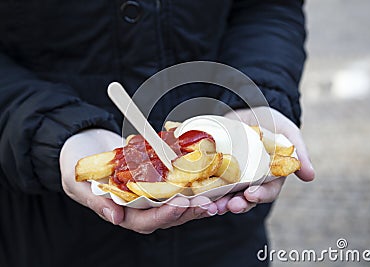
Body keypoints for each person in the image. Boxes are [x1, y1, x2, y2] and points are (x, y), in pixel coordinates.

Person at [0, 1, 314, 266]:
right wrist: (51, 130)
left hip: (224, 238)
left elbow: (266, 7)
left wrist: (257, 94)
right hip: (44, 233)